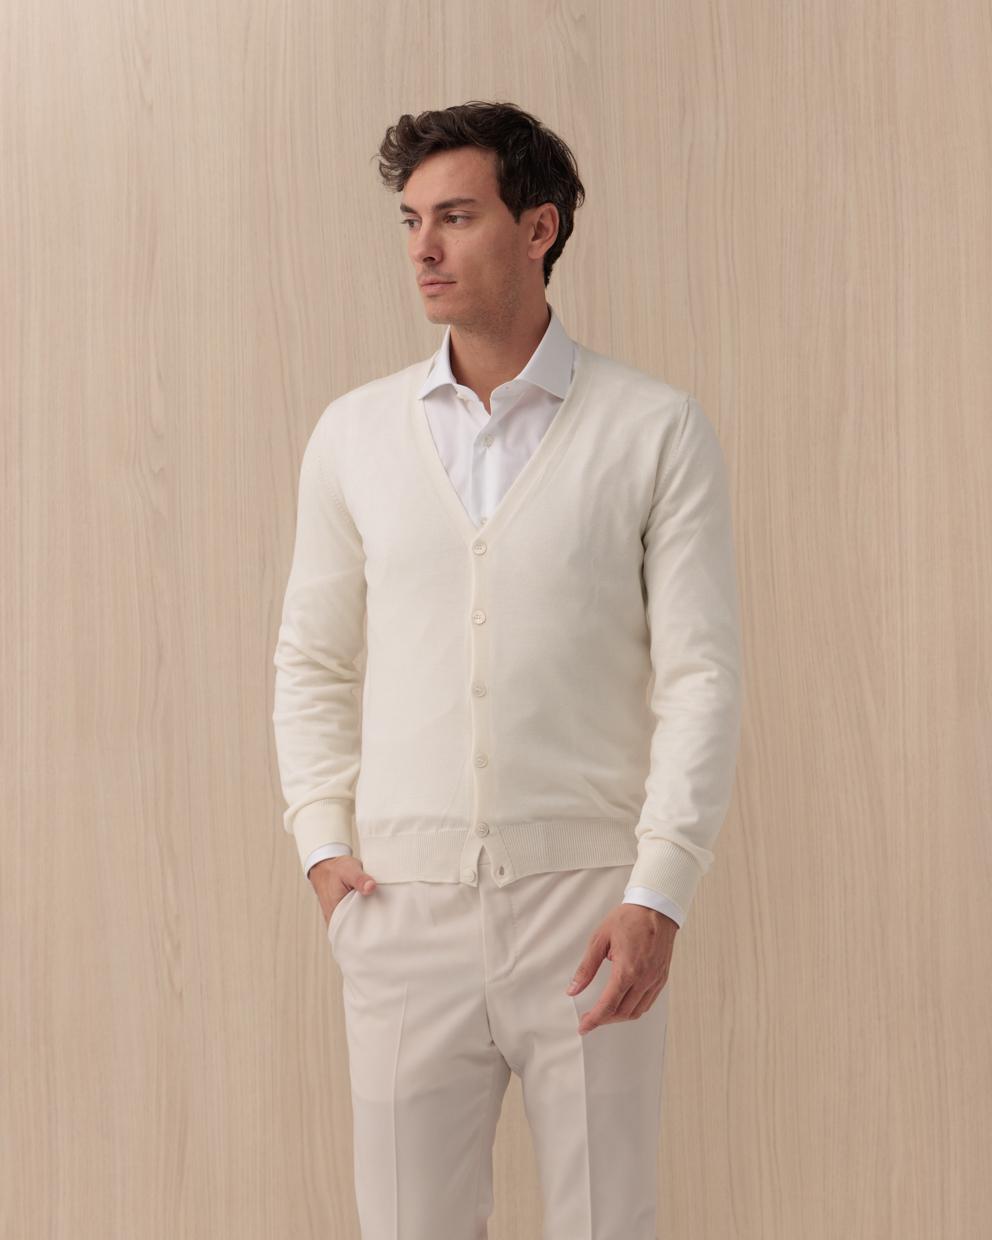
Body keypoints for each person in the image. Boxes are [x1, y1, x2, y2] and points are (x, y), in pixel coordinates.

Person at [271, 100, 743, 1240]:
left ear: (538, 228)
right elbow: (312, 658)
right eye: (411, 221)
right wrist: (323, 847)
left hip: (589, 909)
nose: (423, 248)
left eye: (456, 216)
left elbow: (700, 676)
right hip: (399, 908)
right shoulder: (352, 435)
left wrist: (657, 892)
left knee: (604, 1222)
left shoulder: (654, 429)